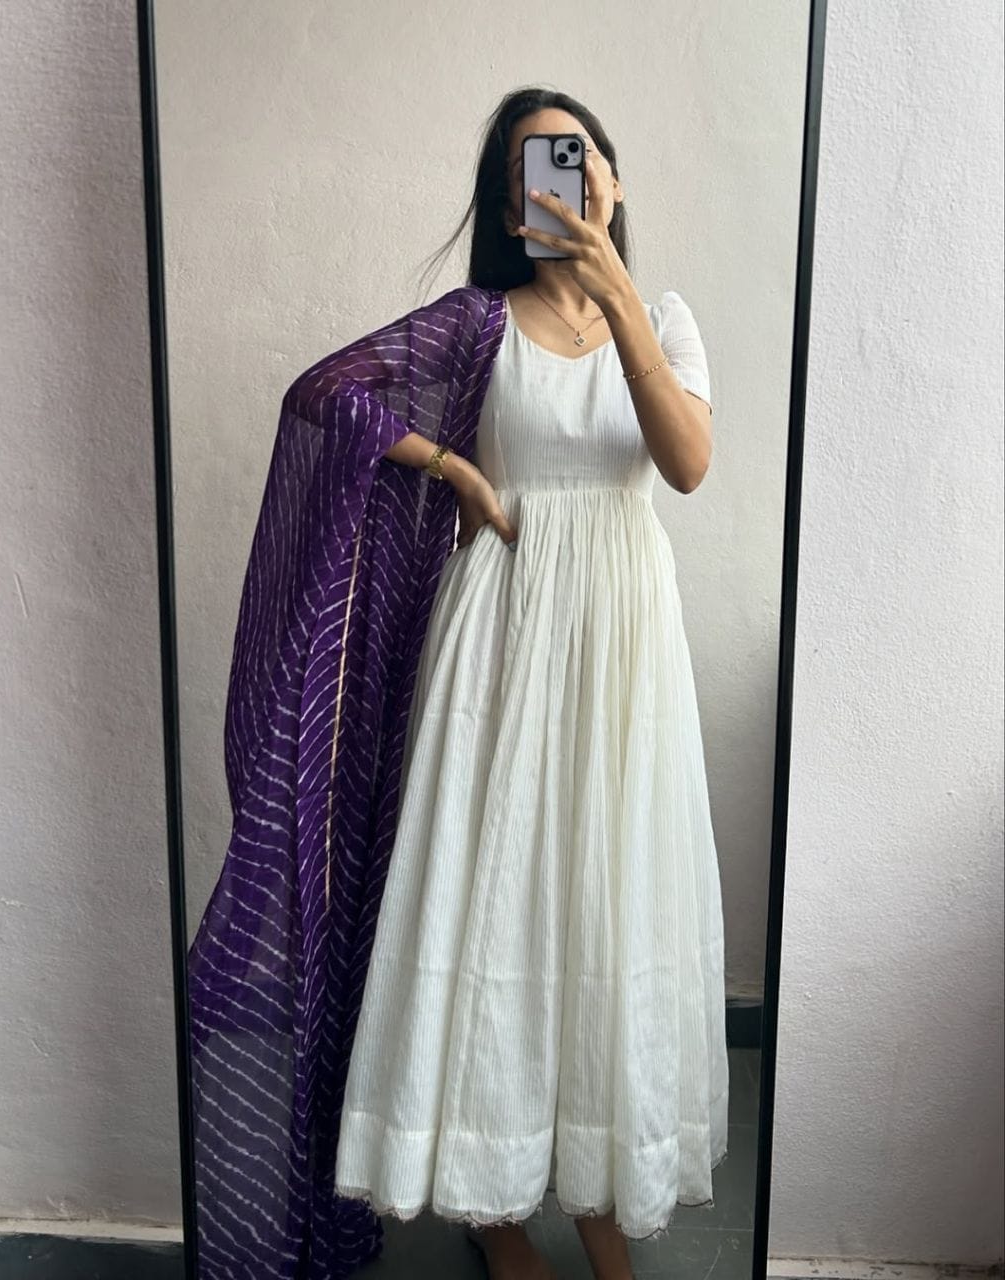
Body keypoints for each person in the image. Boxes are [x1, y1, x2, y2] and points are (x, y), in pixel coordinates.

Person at [328, 89, 729, 1280]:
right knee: (494, 903)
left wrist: (616, 294)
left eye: (575, 152)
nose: (559, 174)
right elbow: (332, 395)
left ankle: (598, 1190)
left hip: (623, 651)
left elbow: (686, 462)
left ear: (612, 177)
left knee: (609, 904)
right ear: (513, 206)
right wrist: (453, 468)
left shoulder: (665, 316)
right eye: (530, 168)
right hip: (502, 642)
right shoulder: (476, 327)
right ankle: (492, 1210)